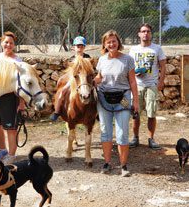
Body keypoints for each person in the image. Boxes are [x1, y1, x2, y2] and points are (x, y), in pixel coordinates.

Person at [94, 30, 138, 177]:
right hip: (104, 98)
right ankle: (107, 163)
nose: (111, 44)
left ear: (118, 42)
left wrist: (135, 102)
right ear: (104, 44)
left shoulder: (127, 59)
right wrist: (90, 82)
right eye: (108, 42)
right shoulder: (102, 60)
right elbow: (100, 77)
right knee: (105, 132)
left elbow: (132, 81)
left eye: (114, 41)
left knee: (122, 133)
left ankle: (123, 165)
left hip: (123, 98)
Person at [0, 31, 25, 165]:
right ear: (1, 43)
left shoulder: (18, 61)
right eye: (6, 42)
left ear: (14, 45)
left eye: (11, 43)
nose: (8, 45)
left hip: (10, 98)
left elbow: (22, 83)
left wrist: (21, 102)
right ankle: (2, 150)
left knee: (11, 128)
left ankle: (11, 155)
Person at [129, 23, 166, 150]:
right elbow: (129, 68)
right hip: (137, 86)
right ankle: (135, 138)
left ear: (151, 34)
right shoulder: (133, 50)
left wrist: (161, 82)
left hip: (152, 85)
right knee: (136, 114)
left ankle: (151, 139)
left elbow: (163, 66)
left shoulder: (157, 48)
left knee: (151, 114)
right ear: (139, 34)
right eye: (143, 31)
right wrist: (135, 73)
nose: (145, 34)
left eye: (148, 31)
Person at [50, 36, 90, 121]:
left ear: (84, 47)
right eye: (78, 46)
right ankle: (57, 111)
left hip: (85, 79)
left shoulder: (87, 57)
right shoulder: (72, 59)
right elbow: (70, 72)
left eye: (82, 46)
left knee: (96, 91)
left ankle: (96, 112)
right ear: (74, 47)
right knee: (63, 91)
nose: (80, 48)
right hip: (74, 80)